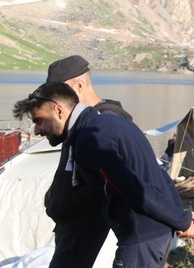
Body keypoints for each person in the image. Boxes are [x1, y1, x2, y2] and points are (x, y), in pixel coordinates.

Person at [13, 82, 194, 268]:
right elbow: (160, 175)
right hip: (154, 235)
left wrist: (182, 219)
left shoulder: (90, 139)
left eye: (39, 121)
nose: (37, 130)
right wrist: (180, 217)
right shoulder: (114, 122)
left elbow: (133, 189)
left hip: (140, 238)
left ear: (58, 110)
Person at [42, 55, 134, 268]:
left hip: (84, 225)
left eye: (58, 92)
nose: (53, 100)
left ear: (80, 85)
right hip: (69, 225)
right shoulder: (78, 121)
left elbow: (104, 181)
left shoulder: (102, 122)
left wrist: (68, 203)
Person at [47, 55, 134, 120]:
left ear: (79, 86)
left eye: (60, 91)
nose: (55, 99)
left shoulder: (104, 121)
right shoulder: (92, 117)